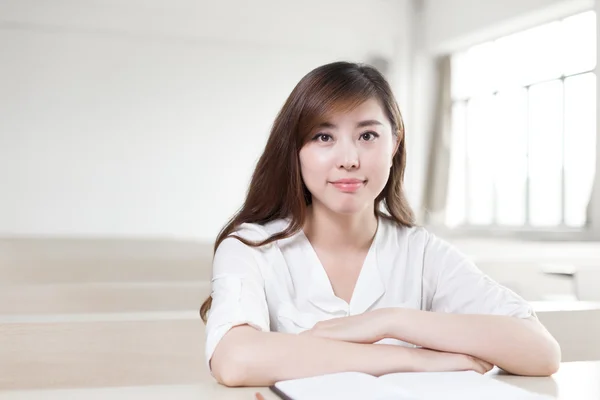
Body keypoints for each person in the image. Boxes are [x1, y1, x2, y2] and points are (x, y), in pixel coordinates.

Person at [199, 61, 561, 387]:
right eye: (324, 137)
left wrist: (390, 321)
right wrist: (411, 359)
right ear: (295, 150)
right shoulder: (251, 246)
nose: (349, 159)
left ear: (394, 144)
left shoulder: (420, 251)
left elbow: (541, 351)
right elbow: (235, 360)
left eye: (368, 136)